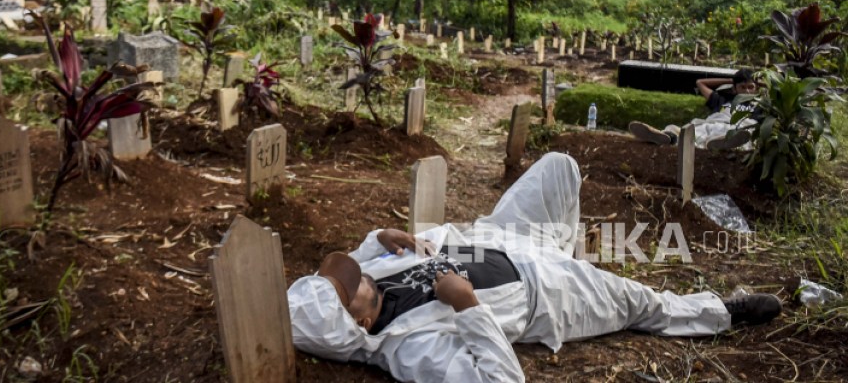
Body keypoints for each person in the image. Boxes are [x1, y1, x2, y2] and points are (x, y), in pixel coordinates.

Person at [287, 153, 781, 383]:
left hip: (498, 237)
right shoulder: (411, 353)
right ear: (361, 322)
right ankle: (718, 312)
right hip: (549, 292)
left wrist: (379, 237)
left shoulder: (366, 277)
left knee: (560, 167)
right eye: (349, 288)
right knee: (638, 302)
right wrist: (467, 307)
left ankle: (562, 246)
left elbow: (357, 259)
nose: (358, 273)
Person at [628, 68, 759, 151]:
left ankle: (723, 143)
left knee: (744, 134)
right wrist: (732, 80)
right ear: (734, 89)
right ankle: (667, 136)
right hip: (713, 124)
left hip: (737, 128)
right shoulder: (722, 100)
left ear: (756, 88)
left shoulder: (760, 105)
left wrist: (760, 83)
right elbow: (700, 83)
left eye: (750, 87)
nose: (747, 91)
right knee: (689, 131)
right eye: (742, 87)